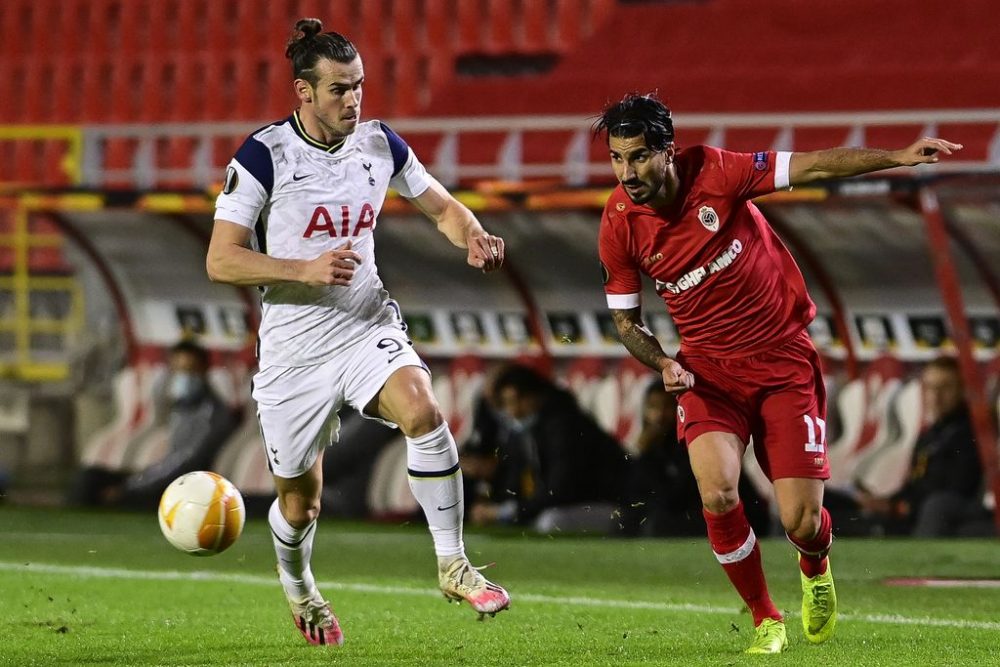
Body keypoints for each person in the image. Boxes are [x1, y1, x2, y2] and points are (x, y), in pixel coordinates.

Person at [593, 92, 962, 654]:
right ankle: (766, 617)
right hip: (707, 371)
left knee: (802, 521)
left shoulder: (719, 172)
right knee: (716, 492)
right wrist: (664, 361)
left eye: (639, 156)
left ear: (668, 149)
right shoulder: (619, 223)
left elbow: (814, 163)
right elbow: (626, 323)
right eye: (618, 159)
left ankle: (815, 568)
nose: (628, 172)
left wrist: (898, 156)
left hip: (781, 361)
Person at [206, 19, 510, 647]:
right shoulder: (264, 155)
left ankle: (453, 562)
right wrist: (302, 269)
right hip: (293, 350)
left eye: (360, 87)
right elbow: (220, 259)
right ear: (304, 92)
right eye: (340, 89)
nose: (354, 101)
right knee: (301, 506)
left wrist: (472, 235)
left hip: (364, 323)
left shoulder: (380, 144)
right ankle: (300, 587)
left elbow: (443, 208)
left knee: (424, 412)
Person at [67, 340, 238, 509]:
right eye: (177, 370)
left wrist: (129, 487)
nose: (182, 377)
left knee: (114, 496)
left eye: (189, 371)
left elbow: (185, 462)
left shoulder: (212, 414)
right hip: (162, 478)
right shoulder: (180, 407)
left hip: (187, 487)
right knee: (90, 477)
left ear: (203, 371)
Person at [464, 363, 629, 533]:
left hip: (609, 508)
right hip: (569, 506)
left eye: (515, 401)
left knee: (549, 521)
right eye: (506, 404)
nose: (512, 411)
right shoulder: (528, 430)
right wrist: (495, 505)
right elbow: (516, 480)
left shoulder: (565, 426)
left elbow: (559, 491)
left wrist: (507, 511)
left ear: (535, 396)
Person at [854, 356, 985, 536]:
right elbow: (914, 484)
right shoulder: (929, 434)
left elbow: (958, 488)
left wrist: (900, 506)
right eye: (930, 388)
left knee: (936, 506)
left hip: (944, 512)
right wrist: (887, 502)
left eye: (945, 388)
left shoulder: (970, 433)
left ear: (962, 390)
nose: (935, 396)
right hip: (912, 510)